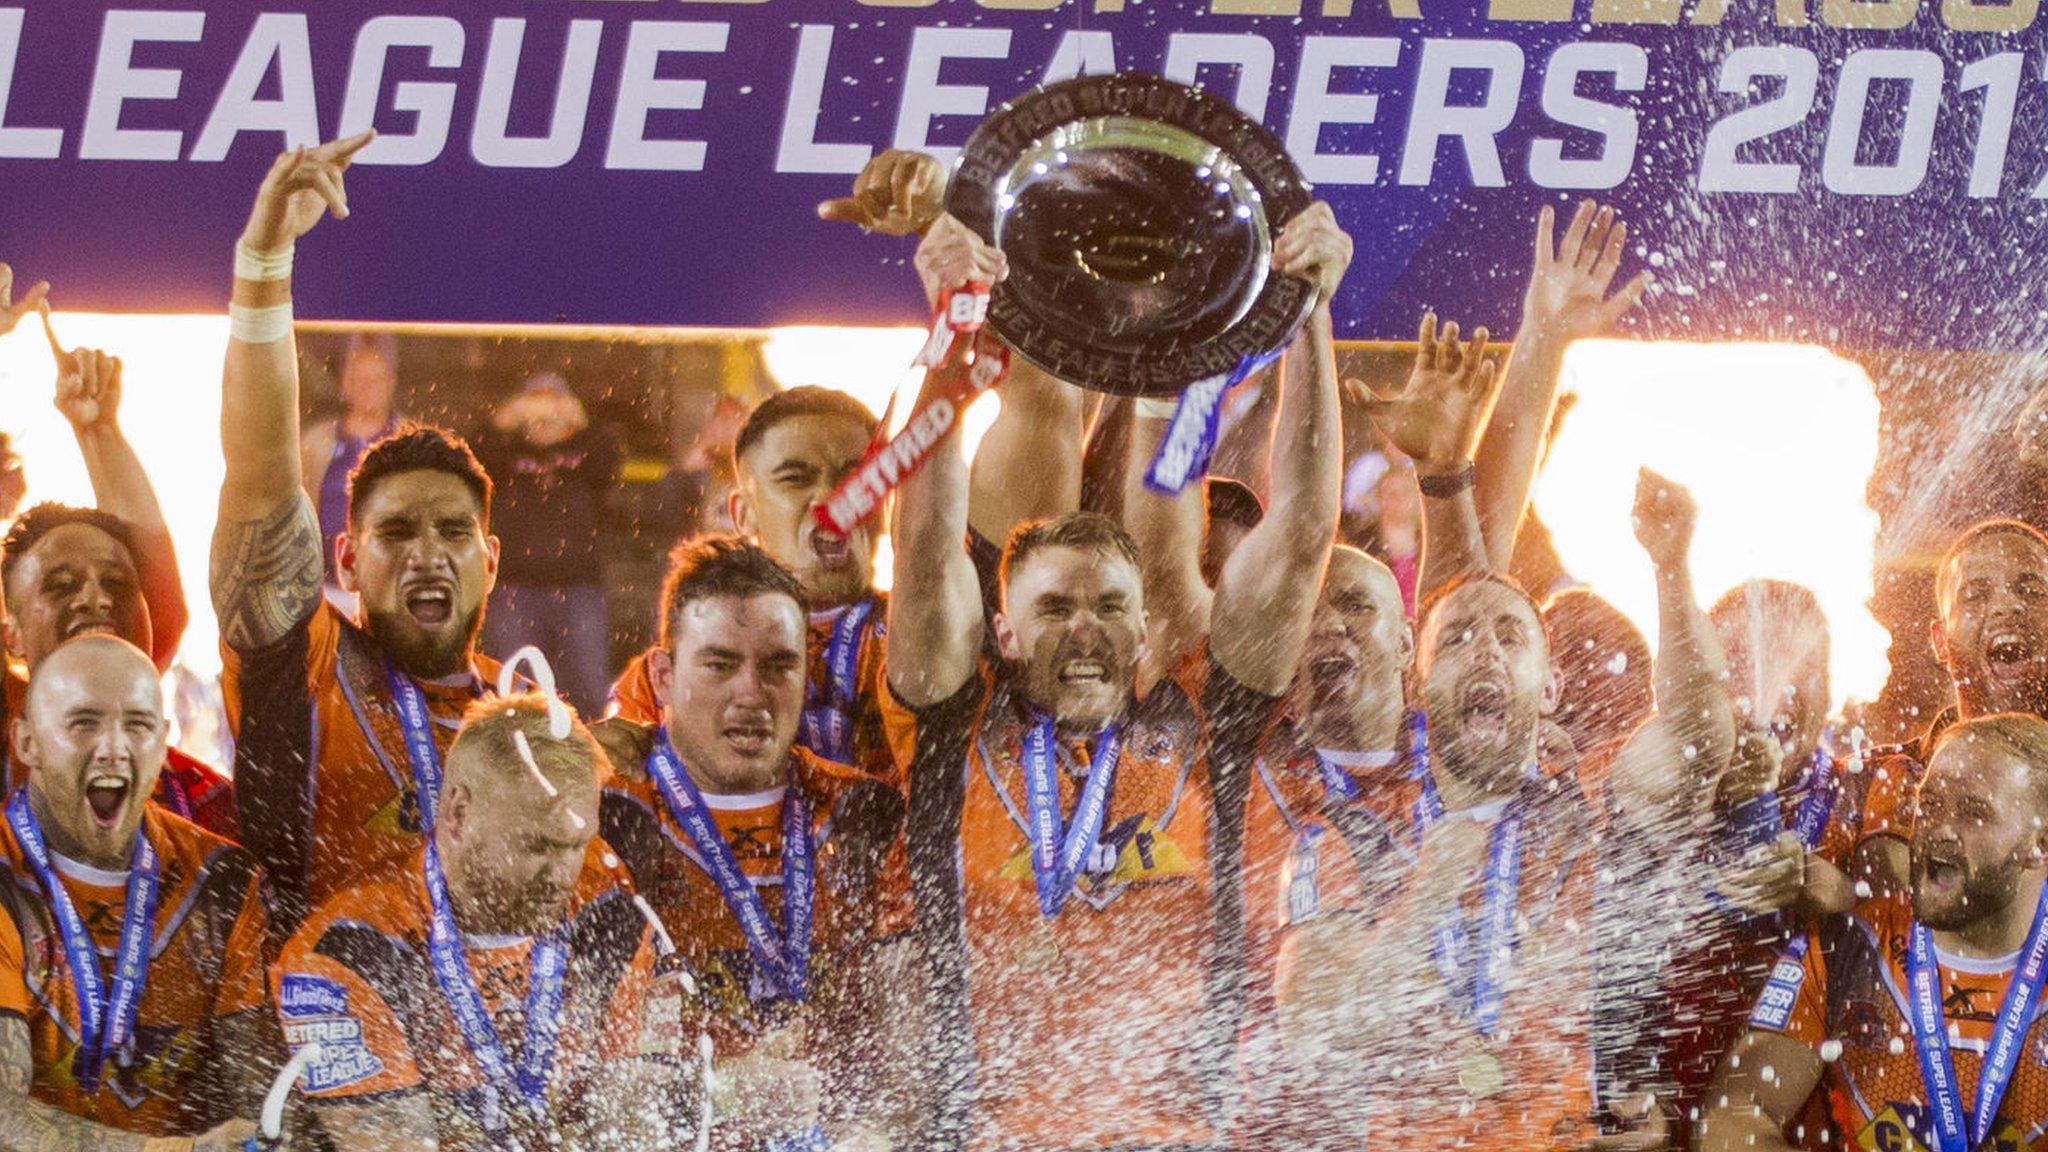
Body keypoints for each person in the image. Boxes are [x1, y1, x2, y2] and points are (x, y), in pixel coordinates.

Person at [881, 195, 1347, 1150]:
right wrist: (947, 331)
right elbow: (925, 541)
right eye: (1053, 609)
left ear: (1150, 634)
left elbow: (1301, 537)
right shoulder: (948, 731)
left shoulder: (1206, 727)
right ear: (1003, 632)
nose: (1084, 631)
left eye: (1108, 609)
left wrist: (1310, 315)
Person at [1274, 468, 1733, 1148]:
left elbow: (1699, 740)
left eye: (1510, 637)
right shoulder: (1346, 833)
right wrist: (1426, 899)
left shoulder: (1596, 809)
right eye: (1456, 637)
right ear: (1417, 683)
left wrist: (1672, 568)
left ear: (1549, 688)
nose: (1484, 647)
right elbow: (1312, 1029)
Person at [610, 148, 1093, 782]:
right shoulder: (673, 669)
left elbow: (1044, 407)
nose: (831, 498)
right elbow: (596, 775)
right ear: (740, 513)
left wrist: (961, 219)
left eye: (850, 473)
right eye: (795, 478)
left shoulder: (948, 609)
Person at [213, 131, 507, 936]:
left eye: (454, 532)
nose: (427, 551)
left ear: (488, 561)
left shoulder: (525, 717)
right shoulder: (305, 667)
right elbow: (261, 475)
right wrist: (264, 262)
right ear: (346, 556)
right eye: (396, 531)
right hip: (305, 1047)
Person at [595, 536, 923, 1151]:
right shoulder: (607, 818)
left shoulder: (863, 815)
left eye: (777, 665)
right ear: (663, 677)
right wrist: (715, 1093)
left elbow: (907, 1065)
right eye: (720, 664)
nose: (751, 693)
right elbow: (574, 1076)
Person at [275, 695, 682, 1151]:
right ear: (458, 813)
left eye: (576, 845)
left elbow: (635, 1128)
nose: (562, 875)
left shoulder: (610, 918)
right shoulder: (346, 952)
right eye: (537, 846)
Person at [1699, 712, 2048, 1152]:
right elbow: (1731, 1120)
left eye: (1974, 813)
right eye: (1931, 803)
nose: (1939, 828)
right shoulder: (1846, 942)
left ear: (2041, 845)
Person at [0, 635, 277, 1151]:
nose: (114, 747)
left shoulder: (223, 880)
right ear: (26, 743)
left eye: (138, 725)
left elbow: (258, 1098)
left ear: (165, 740)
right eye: (84, 723)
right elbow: (3, 1119)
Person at [473, 371, 620, 717]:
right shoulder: (505, 453)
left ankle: (589, 766)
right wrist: (502, 421)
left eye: (552, 405)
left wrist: (581, 423)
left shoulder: (586, 450)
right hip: (514, 591)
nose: (544, 416)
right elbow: (473, 459)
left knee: (588, 692)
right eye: (535, 405)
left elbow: (610, 464)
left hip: (578, 588)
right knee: (512, 696)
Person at [300, 333, 402, 601]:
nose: (368, 388)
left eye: (376, 380)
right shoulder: (316, 441)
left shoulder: (410, 439)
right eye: (360, 380)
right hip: (325, 589)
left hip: (388, 591)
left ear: (391, 384)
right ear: (345, 384)